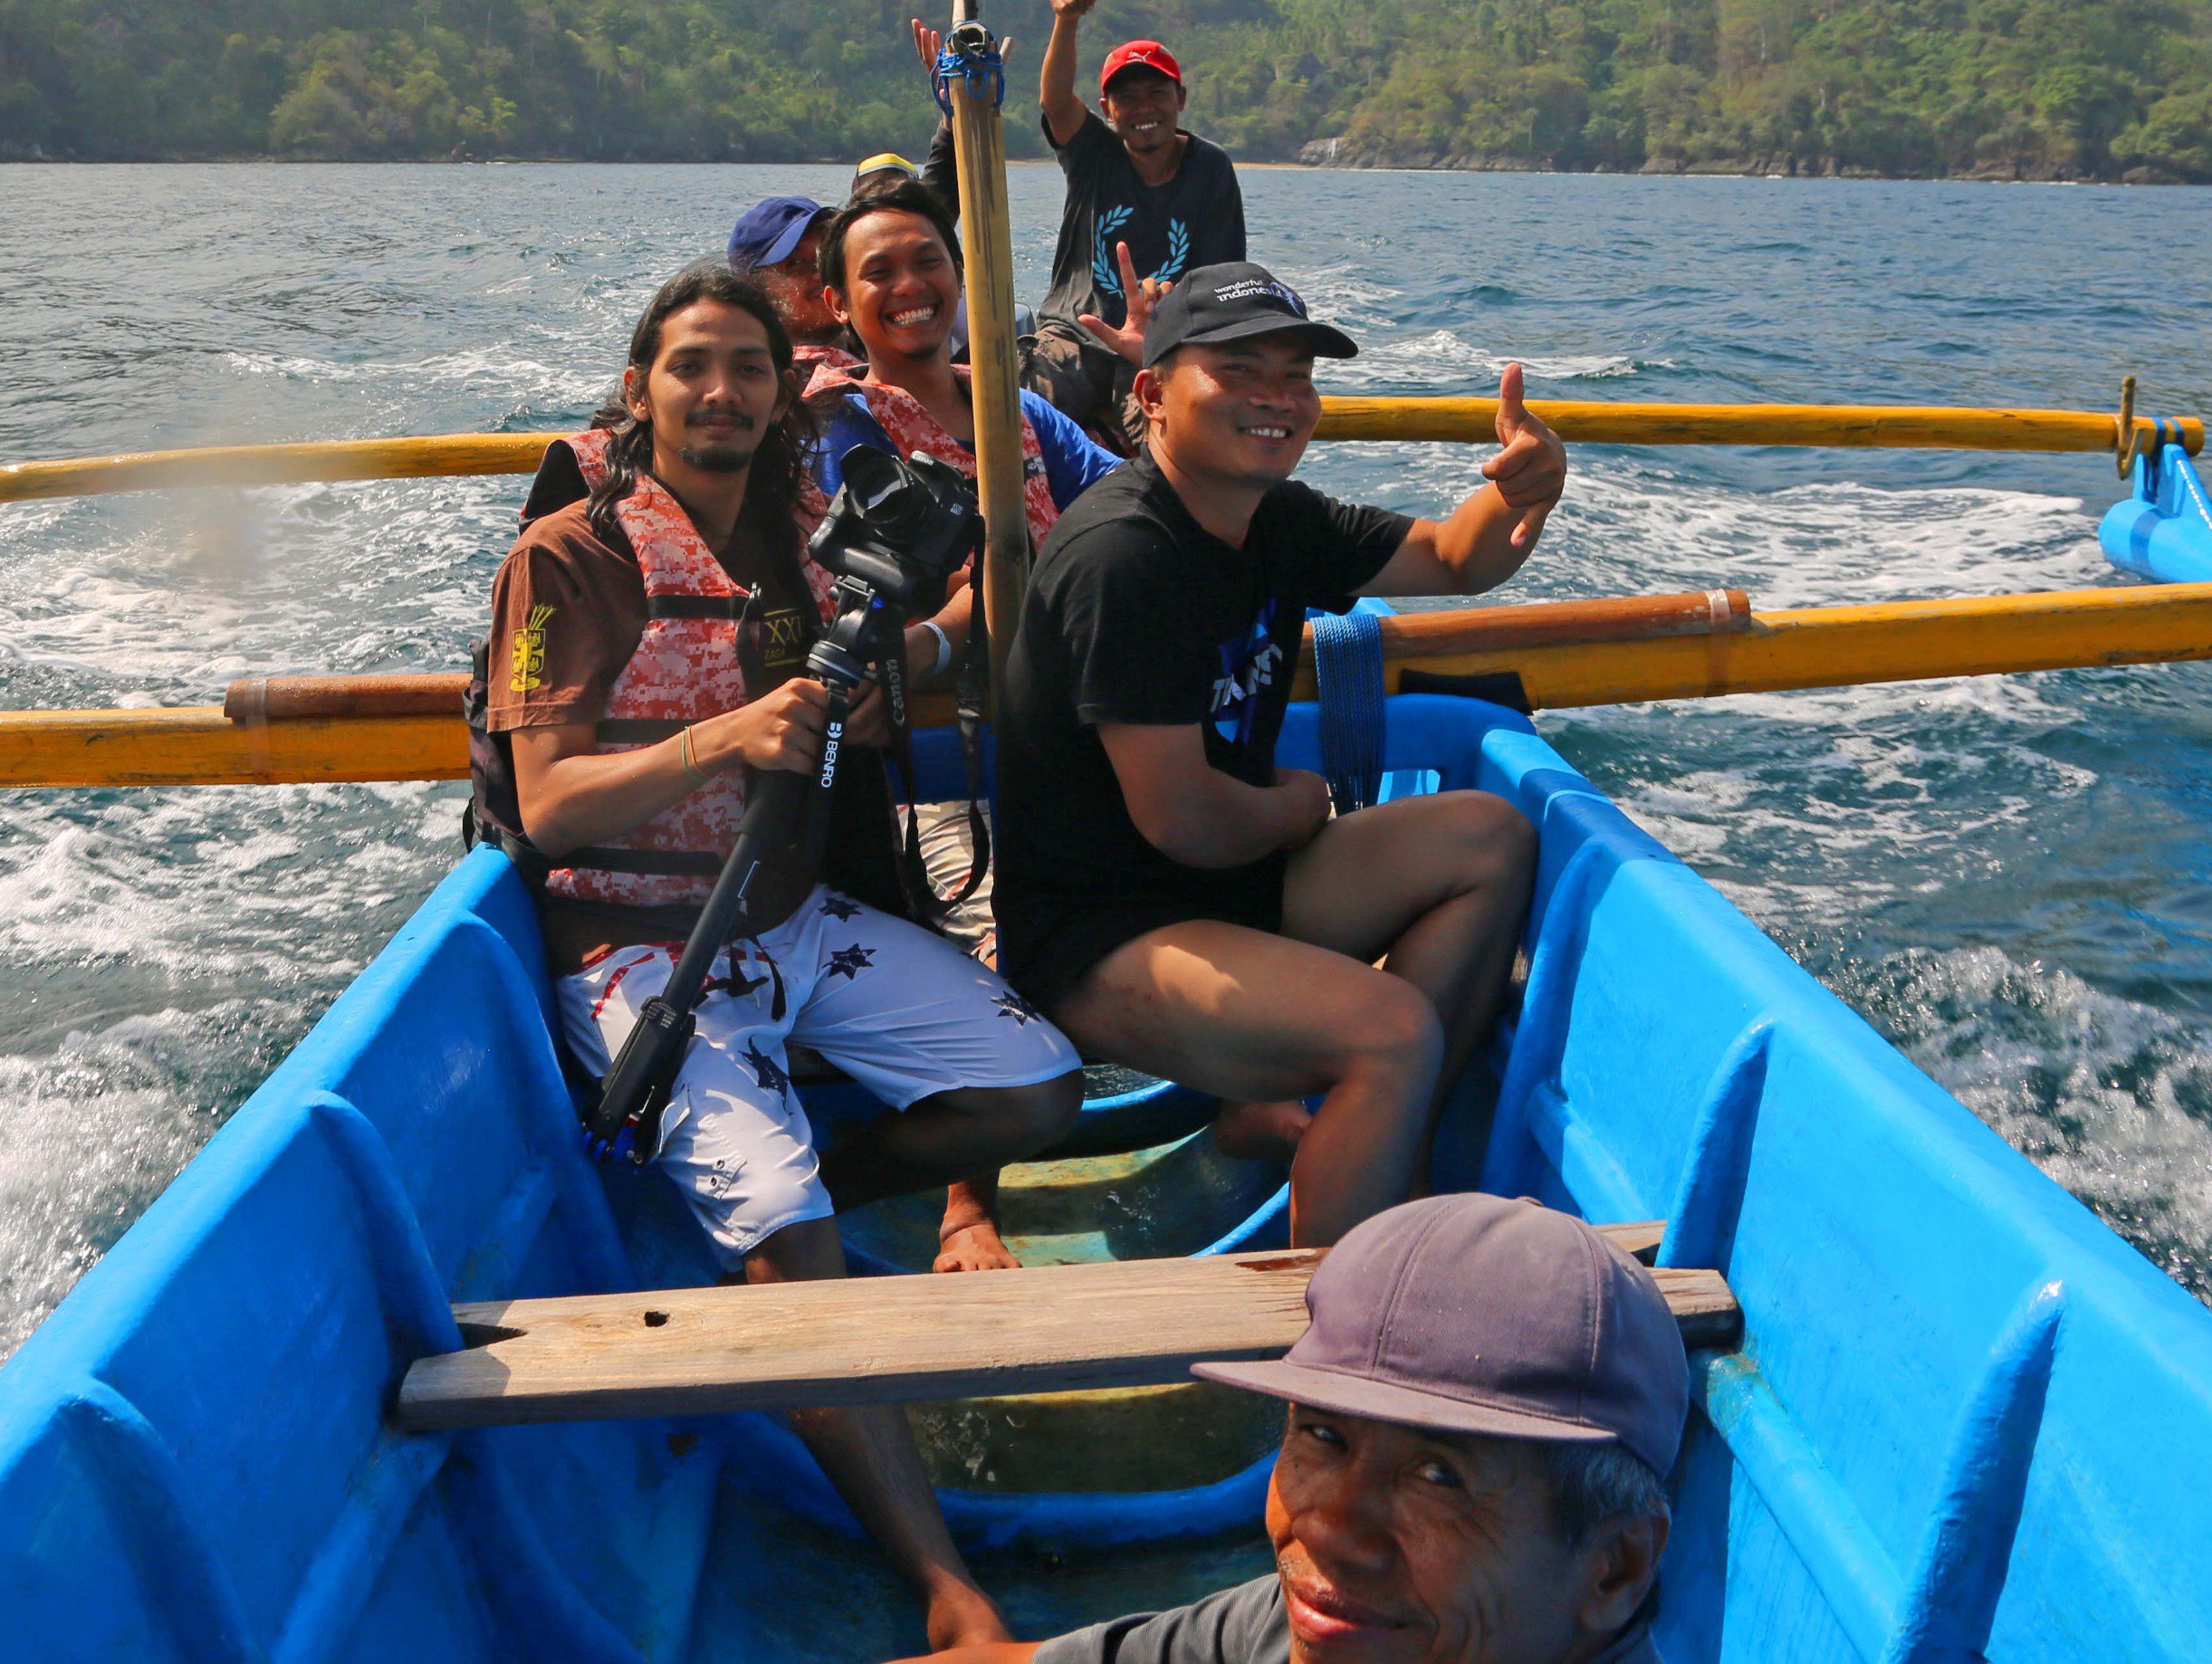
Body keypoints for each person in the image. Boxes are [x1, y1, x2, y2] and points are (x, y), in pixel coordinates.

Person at [478, 258, 1081, 1653]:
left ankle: (795, 1204)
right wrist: (722, 739)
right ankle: (944, 1584)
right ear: (642, 392)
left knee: (1042, 1089)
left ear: (779, 394)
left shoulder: (805, 546)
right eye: (692, 366)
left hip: (791, 923)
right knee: (797, 1247)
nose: (722, 391)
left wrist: (907, 672)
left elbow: (866, 691)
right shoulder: (564, 559)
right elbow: (551, 801)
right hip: (638, 948)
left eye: (750, 367)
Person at [991, 262, 1569, 1248]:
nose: (1276, 398)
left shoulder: (1274, 520)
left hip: (1232, 888)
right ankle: (1326, 1367)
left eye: (1296, 376)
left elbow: (1453, 558)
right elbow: (1183, 818)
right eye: (1238, 369)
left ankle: (1365, 1137)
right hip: (1105, 936)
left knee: (1486, 834)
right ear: (1150, 393)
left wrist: (1529, 491)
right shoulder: (1122, 558)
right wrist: (1302, 805)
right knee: (1387, 1030)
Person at [888, 1194, 1687, 1664]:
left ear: (1614, 1568)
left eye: (1440, 1475)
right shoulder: (1333, 1620)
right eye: (1324, 1438)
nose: (1333, 1530)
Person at [800, 171, 1122, 1271]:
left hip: (1035, 727)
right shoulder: (831, 429)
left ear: (962, 275)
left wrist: (1162, 381)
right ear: (839, 305)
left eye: (927, 260)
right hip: (908, 746)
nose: (907, 285)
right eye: (875, 271)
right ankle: (962, 1203)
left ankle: (1251, 1089)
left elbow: (1128, 509)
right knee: (980, 904)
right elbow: (834, 584)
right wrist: (941, 637)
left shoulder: (1014, 412)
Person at [922, 0, 1246, 448]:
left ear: (1180, 98)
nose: (1143, 110)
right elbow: (1055, 100)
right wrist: (1067, 20)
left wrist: (1174, 331)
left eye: (1156, 93)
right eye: (1127, 99)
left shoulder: (1210, 169)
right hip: (1072, 337)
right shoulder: (1095, 152)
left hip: (1161, 346)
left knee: (1182, 447)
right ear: (1106, 110)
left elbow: (1221, 278)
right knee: (1001, 420)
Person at [729, 193, 841, 351]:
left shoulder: (880, 344)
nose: (823, 273)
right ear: (755, 288)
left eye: (829, 256)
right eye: (796, 263)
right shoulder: (755, 371)